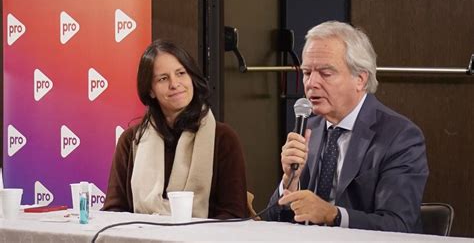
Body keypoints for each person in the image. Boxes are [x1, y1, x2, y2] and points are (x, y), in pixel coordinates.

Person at [264, 21, 429, 233]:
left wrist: (333, 214)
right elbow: (269, 221)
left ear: (360, 79)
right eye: (306, 72)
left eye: (325, 73)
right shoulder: (307, 128)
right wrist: (290, 182)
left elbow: (398, 226)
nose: (311, 83)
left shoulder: (400, 137)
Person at [103, 39, 248, 219]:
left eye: (181, 73)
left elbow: (234, 214)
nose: (174, 83)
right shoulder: (131, 140)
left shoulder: (223, 138)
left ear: (192, 78)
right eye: (163, 78)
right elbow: (114, 211)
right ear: (150, 90)